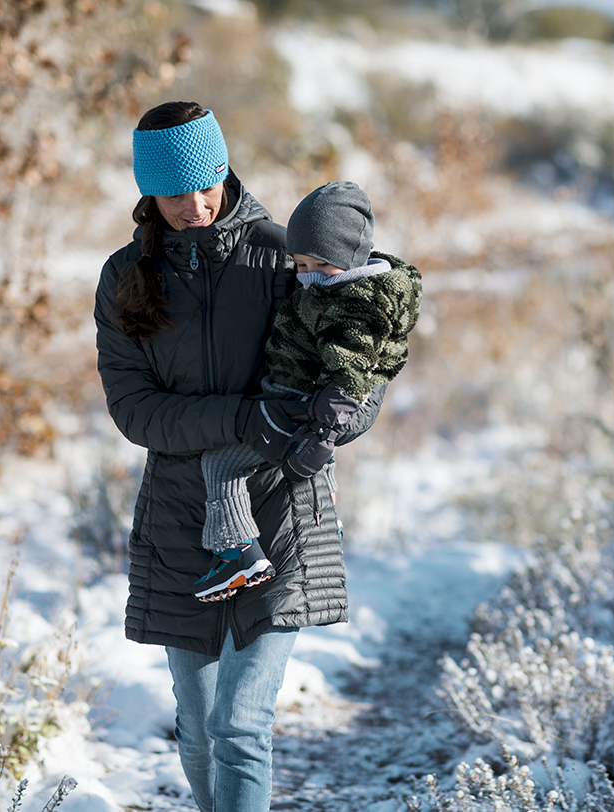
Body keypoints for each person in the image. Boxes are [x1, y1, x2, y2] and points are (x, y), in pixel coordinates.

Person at [93, 101, 385, 812]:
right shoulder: (125, 277)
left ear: (225, 169)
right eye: (174, 193)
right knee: (195, 726)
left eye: (209, 183)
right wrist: (243, 419)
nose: (195, 205)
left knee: (240, 724)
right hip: (181, 516)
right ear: (147, 194)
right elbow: (135, 409)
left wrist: (341, 416)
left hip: (282, 508)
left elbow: (362, 367)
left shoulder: (287, 256)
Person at [195, 181, 422, 602]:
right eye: (299, 265)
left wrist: (322, 436)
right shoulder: (338, 290)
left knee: (221, 465)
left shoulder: (353, 307)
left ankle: (236, 551)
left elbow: (350, 381)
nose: (307, 275)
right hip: (300, 405)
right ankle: (326, 522)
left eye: (319, 264)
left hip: (299, 409)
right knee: (315, 469)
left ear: (349, 259)